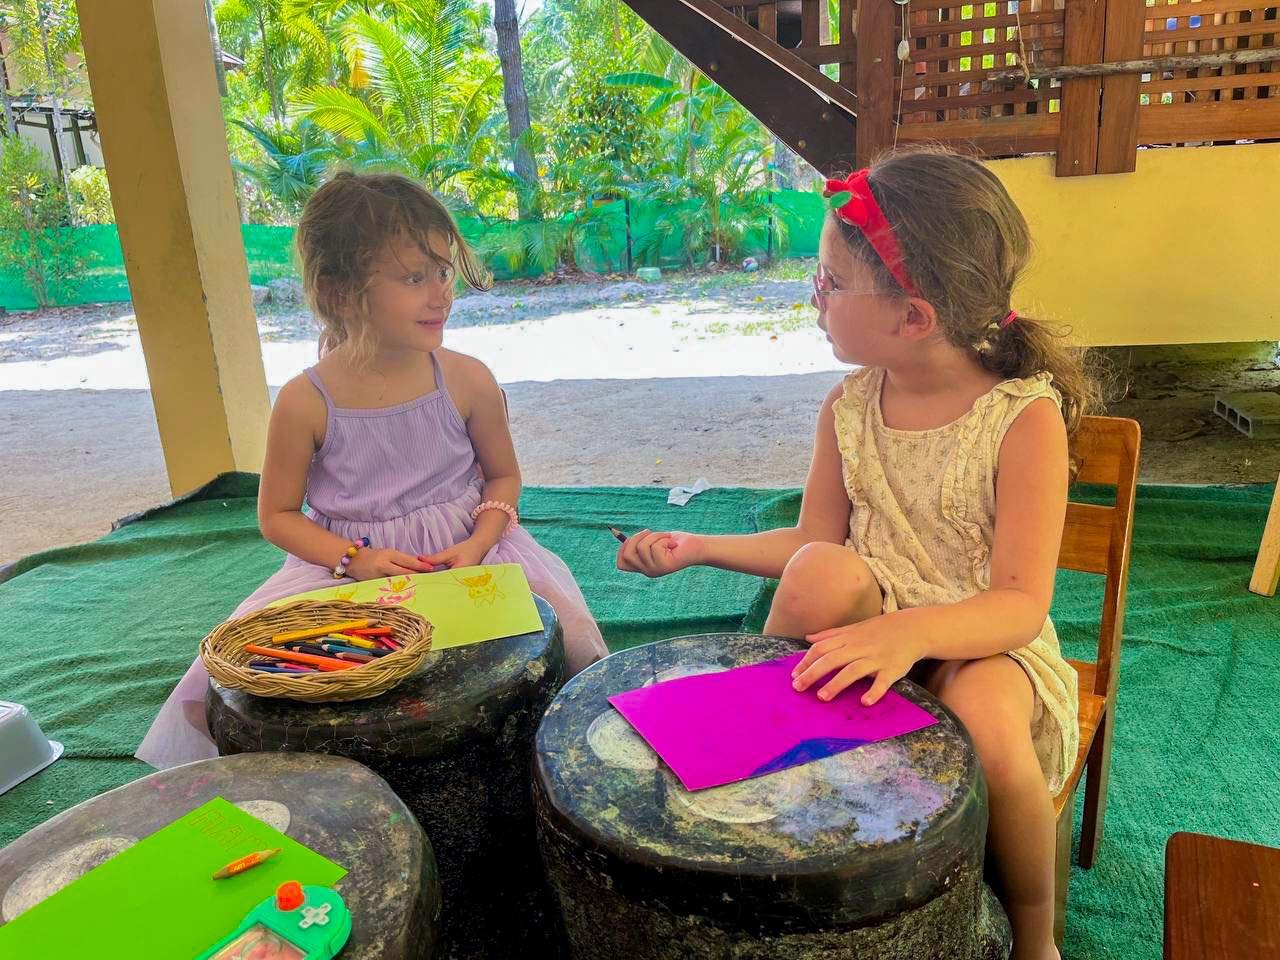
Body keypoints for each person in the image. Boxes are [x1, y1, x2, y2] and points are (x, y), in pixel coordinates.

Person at [618, 148, 1099, 960]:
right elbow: (813, 541)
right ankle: (754, 778)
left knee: (985, 719)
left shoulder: (1023, 420)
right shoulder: (848, 405)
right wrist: (697, 547)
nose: (816, 296)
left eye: (832, 282)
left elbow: (1019, 605)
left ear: (913, 316)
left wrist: (913, 636)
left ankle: (1034, 934)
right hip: (874, 617)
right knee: (820, 570)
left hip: (984, 644)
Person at [138, 172, 607, 769]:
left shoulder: (466, 378)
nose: (441, 293)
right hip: (348, 572)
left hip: (475, 554)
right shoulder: (306, 401)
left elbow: (503, 479)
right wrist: (351, 559)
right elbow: (278, 515)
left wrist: (479, 543)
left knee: (566, 649)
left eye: (443, 271)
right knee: (239, 684)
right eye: (415, 278)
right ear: (339, 292)